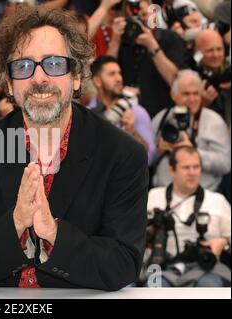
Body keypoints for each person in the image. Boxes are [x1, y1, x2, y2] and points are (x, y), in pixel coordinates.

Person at [0, 7, 149, 290]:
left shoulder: (122, 154)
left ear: (77, 76)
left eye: (54, 64)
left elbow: (123, 265)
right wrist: (17, 223)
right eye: (23, 66)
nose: (39, 78)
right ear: (8, 84)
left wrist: (54, 234)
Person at [146, 145, 230, 287]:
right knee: (153, 286)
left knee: (208, 285)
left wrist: (223, 243)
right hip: (162, 267)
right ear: (172, 170)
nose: (192, 173)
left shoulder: (217, 200)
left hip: (205, 269)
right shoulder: (154, 197)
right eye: (186, 168)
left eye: (196, 167)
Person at [151, 69, 230, 191]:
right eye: (186, 94)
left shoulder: (214, 121)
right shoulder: (162, 118)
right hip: (162, 194)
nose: (192, 99)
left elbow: (225, 164)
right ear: (174, 95)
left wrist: (194, 152)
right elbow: (145, 159)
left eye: (196, 93)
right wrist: (158, 151)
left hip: (204, 197)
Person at [88, 55, 155, 162]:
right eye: (112, 74)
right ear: (97, 81)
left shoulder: (137, 112)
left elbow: (149, 158)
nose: (119, 79)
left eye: (119, 73)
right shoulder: (86, 115)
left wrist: (132, 132)